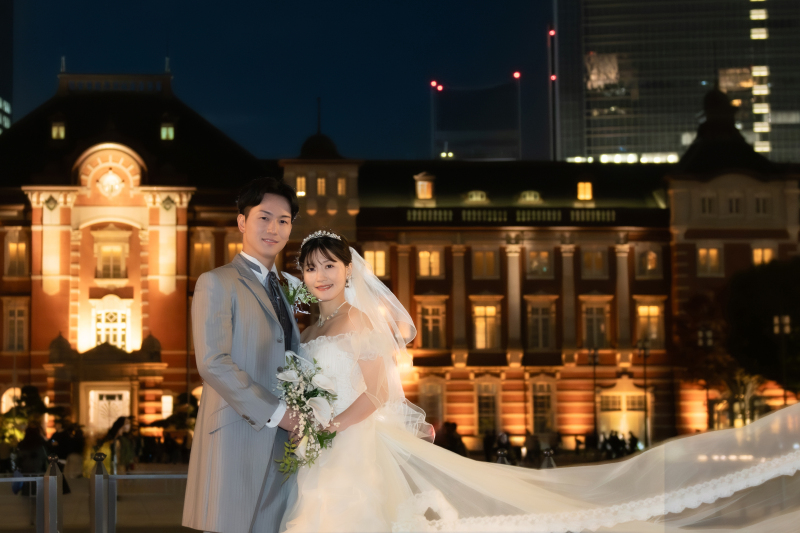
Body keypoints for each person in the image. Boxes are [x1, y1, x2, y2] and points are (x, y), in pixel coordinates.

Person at [275, 230, 800, 533]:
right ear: (301, 274)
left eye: (330, 266)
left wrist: (327, 427)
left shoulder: (361, 321)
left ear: (349, 270)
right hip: (321, 450)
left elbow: (377, 393)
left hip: (347, 444)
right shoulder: (313, 324)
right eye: (311, 267)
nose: (320, 275)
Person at [183, 177, 301, 533]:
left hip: (285, 445)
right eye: (264, 217)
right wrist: (280, 413)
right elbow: (212, 362)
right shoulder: (217, 281)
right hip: (237, 437)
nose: (273, 228)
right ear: (242, 222)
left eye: (283, 220)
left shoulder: (289, 289)